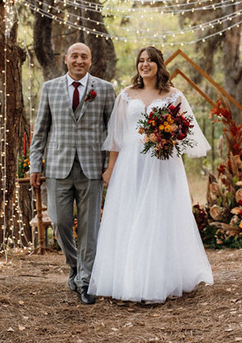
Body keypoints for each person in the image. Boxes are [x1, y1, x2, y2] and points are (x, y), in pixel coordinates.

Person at [88, 46, 213, 303]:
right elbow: (117, 137)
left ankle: (160, 279)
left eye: (150, 61)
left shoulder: (173, 95)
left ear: (159, 65)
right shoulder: (126, 95)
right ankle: (129, 279)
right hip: (130, 163)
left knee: (158, 214)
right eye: (141, 61)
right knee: (130, 215)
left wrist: (168, 139)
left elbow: (185, 133)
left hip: (161, 163)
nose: (145, 65)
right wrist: (110, 169)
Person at [29, 42, 115, 305]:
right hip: (57, 167)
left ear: (91, 61)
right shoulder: (50, 88)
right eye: (74, 56)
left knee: (90, 227)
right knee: (60, 221)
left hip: (92, 169)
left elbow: (113, 132)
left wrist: (111, 167)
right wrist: (35, 164)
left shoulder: (105, 89)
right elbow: (40, 130)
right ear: (65, 59)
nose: (79, 60)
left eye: (84, 57)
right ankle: (75, 265)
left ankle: (86, 280)